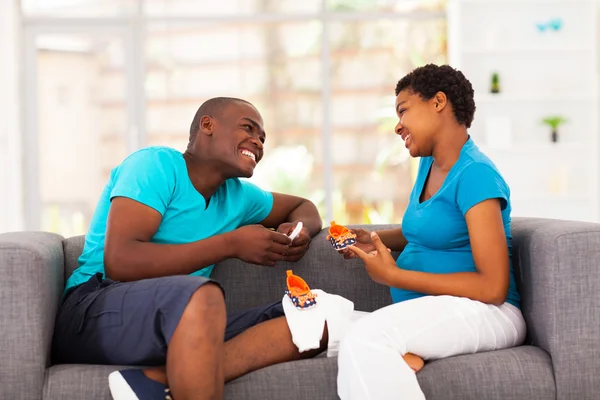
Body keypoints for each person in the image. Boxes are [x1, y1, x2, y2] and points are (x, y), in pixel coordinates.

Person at [51, 97, 326, 400]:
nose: (258, 142)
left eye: (262, 138)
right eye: (248, 128)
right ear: (207, 125)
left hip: (183, 320)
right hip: (94, 308)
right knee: (203, 294)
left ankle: (158, 379)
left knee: (316, 316)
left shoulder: (239, 197)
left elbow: (304, 206)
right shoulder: (155, 165)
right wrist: (230, 244)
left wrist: (298, 230)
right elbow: (121, 260)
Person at [336, 64, 527, 400]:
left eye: (403, 110)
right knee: (325, 323)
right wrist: (375, 239)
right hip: (441, 312)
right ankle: (402, 354)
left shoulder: (475, 175)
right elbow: (432, 232)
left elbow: (493, 287)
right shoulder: (428, 165)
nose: (397, 126)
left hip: (490, 313)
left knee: (367, 338)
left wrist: (395, 276)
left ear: (438, 102)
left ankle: (399, 351)